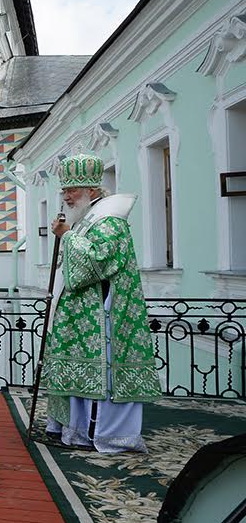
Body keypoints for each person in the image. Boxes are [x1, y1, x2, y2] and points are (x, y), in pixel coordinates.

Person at [40, 154, 162, 453]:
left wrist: (67, 236)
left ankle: (99, 432)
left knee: (100, 377)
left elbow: (97, 262)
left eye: (72, 190)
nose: (66, 196)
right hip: (83, 315)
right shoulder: (88, 219)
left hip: (102, 318)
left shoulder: (109, 221)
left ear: (92, 190)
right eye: (64, 190)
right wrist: (69, 236)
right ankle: (73, 429)